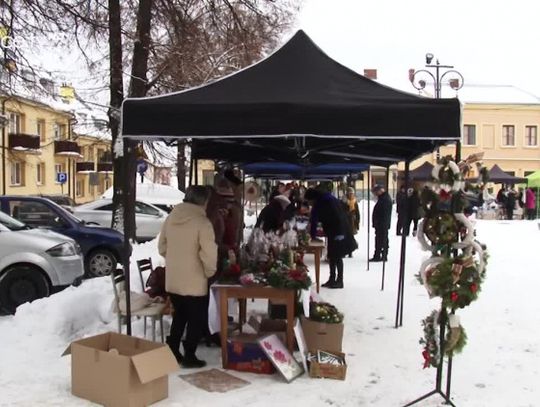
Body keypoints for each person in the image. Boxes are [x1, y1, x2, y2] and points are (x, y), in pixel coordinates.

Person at [158, 186, 217, 368]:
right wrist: (209, 271)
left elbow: (162, 246)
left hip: (174, 279)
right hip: (194, 279)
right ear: (203, 201)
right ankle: (190, 353)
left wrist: (176, 260)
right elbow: (209, 253)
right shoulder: (202, 222)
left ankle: (173, 348)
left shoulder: (171, 218)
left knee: (180, 315)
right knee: (196, 318)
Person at [305, 188, 357, 289]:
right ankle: (332, 278)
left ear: (313, 198)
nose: (310, 203)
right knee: (332, 256)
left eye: (309, 200)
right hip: (335, 230)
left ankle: (339, 280)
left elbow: (316, 218)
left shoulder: (324, 201)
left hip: (338, 231)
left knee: (337, 256)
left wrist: (313, 235)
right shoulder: (327, 199)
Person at [370, 184, 392, 262]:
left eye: (375, 193)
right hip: (381, 223)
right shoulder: (383, 198)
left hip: (382, 224)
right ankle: (379, 254)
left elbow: (383, 213)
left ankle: (382, 255)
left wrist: (378, 222)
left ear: (379, 191)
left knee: (382, 239)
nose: (375, 195)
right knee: (380, 239)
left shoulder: (385, 199)